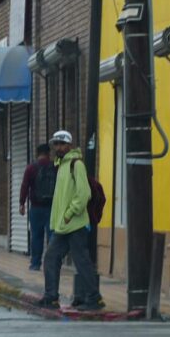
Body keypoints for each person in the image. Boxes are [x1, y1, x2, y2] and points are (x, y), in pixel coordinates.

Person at [36, 130, 105, 312]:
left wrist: (69, 213)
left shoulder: (76, 164)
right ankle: (51, 296)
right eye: (55, 144)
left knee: (81, 260)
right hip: (63, 225)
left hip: (75, 224)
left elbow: (84, 194)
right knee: (51, 257)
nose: (57, 147)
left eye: (61, 144)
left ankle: (93, 298)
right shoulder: (61, 166)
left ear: (69, 145)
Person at [19, 143, 55, 271]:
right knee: (52, 236)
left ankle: (35, 263)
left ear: (37, 153)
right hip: (52, 207)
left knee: (36, 236)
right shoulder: (54, 167)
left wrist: (21, 203)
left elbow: (24, 186)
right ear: (48, 153)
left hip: (35, 208)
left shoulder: (31, 168)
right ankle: (52, 264)